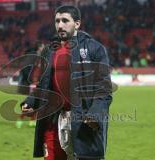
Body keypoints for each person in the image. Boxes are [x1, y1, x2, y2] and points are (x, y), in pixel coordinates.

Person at [21, 5, 113, 160]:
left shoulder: (94, 49)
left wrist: (95, 114)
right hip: (53, 119)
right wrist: (31, 101)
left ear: (77, 24)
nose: (60, 25)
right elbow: (43, 85)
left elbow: (104, 89)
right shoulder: (49, 50)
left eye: (65, 20)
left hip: (82, 121)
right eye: (57, 21)